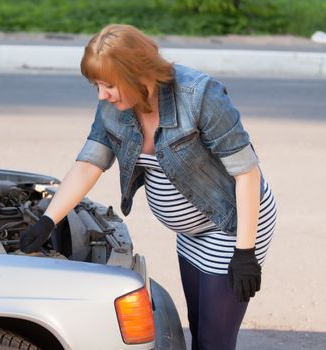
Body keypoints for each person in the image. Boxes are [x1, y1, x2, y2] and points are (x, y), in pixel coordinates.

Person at [20, 24, 277, 350]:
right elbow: (89, 164)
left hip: (231, 225)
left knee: (215, 341)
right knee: (199, 327)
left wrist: (245, 252)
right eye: (96, 85)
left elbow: (247, 173)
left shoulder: (199, 97)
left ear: (138, 74)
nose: (102, 95)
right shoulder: (114, 107)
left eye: (109, 85)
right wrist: (49, 218)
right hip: (190, 233)